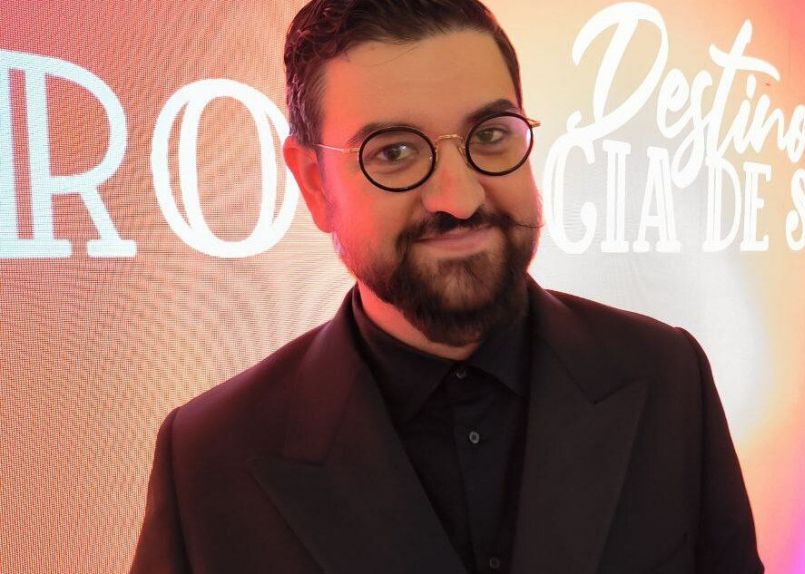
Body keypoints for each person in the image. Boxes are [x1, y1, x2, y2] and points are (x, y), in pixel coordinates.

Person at [130, 1, 763, 573]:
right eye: (394, 152)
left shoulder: (667, 374)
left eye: (490, 136)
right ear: (316, 184)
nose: (458, 199)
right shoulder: (209, 457)